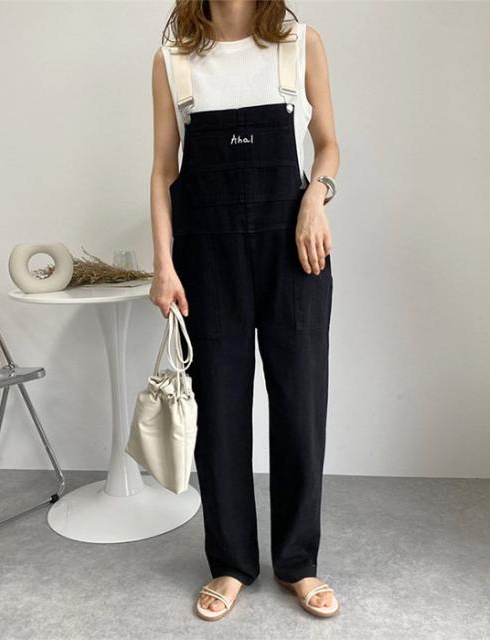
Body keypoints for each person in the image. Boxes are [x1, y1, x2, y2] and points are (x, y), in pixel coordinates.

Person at [149, 0, 340, 621]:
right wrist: (163, 263)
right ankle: (230, 563)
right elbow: (164, 171)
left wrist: (315, 197)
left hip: (294, 254)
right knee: (220, 414)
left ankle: (298, 562)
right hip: (205, 259)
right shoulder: (173, 60)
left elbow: (328, 145)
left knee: (300, 408)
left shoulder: (299, 43)